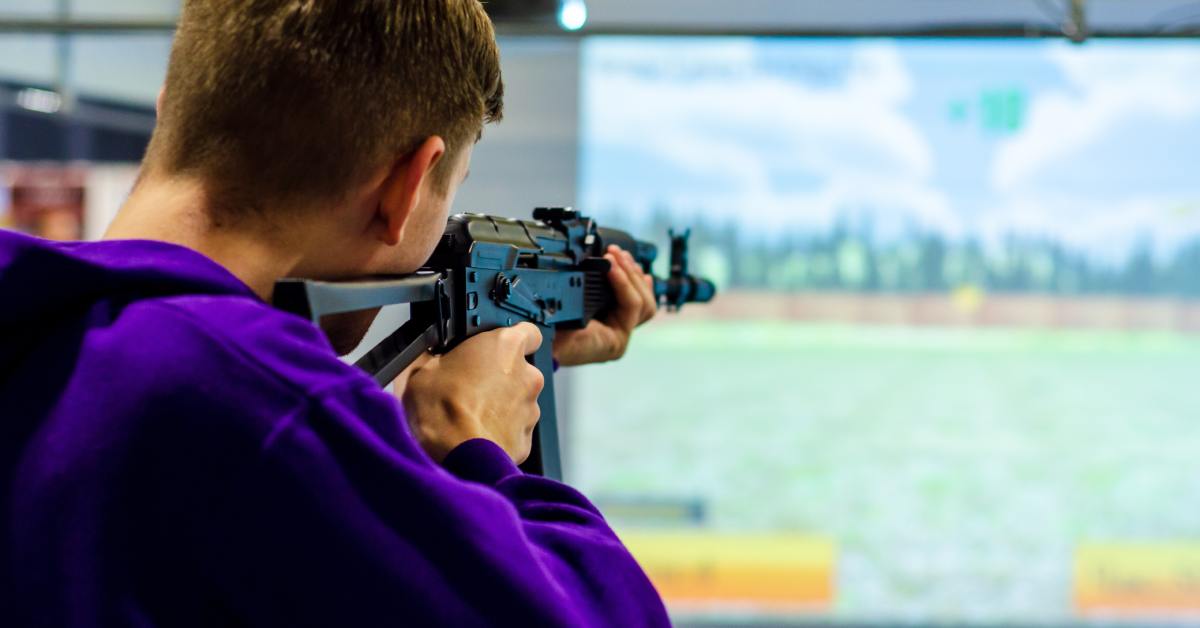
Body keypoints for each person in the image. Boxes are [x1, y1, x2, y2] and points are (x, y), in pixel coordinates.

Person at [0, 1, 670, 626]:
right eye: (451, 194)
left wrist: (531, 351)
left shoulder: (47, 324)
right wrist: (479, 443)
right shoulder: (263, 402)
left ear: (169, 111)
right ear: (406, 187)